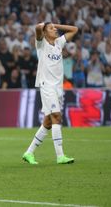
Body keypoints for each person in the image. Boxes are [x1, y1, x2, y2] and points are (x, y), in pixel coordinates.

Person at [22, 22, 78, 165]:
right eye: (51, 28)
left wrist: (55, 25)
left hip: (58, 88)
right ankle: (60, 156)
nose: (55, 30)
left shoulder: (59, 42)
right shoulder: (41, 44)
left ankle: (28, 153)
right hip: (47, 86)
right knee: (57, 117)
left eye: (55, 28)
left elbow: (74, 29)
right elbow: (37, 29)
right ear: (45, 32)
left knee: (47, 122)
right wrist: (42, 26)